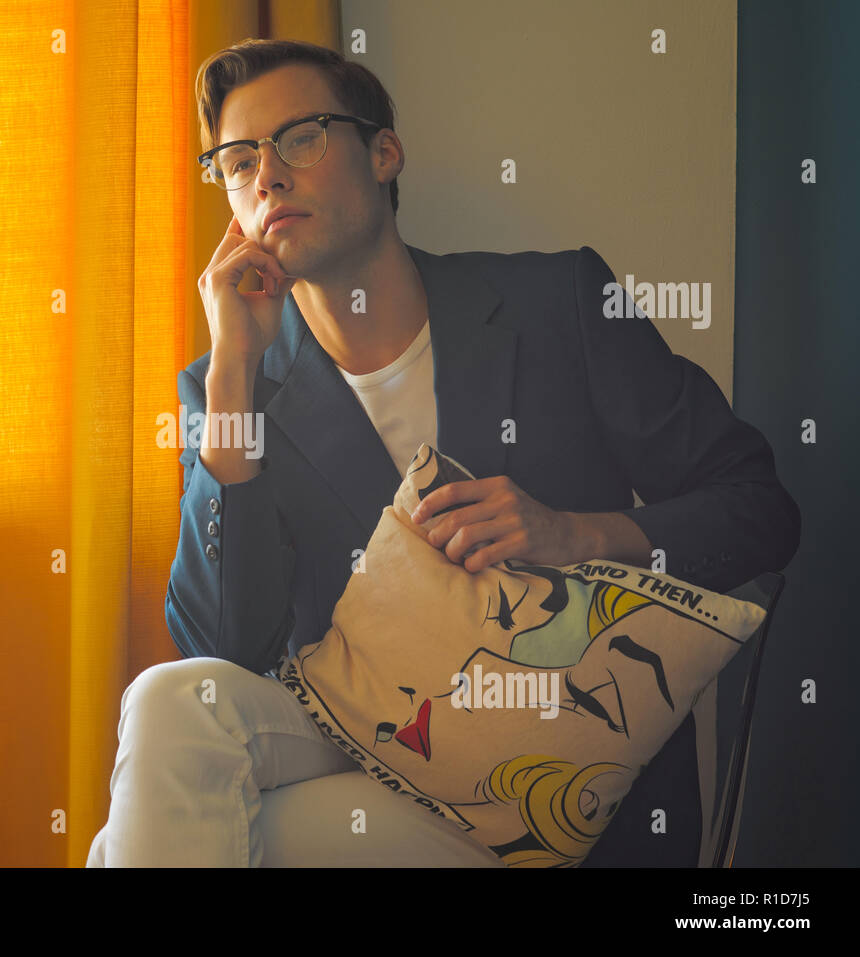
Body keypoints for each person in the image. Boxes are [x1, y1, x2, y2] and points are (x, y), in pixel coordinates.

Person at [85, 38, 800, 867]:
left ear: (384, 152)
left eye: (300, 138)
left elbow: (760, 512)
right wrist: (237, 366)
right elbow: (225, 646)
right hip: (363, 736)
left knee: (156, 838)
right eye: (238, 162)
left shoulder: (558, 303)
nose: (267, 176)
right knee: (173, 696)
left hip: (545, 765)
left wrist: (576, 533)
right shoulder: (227, 390)